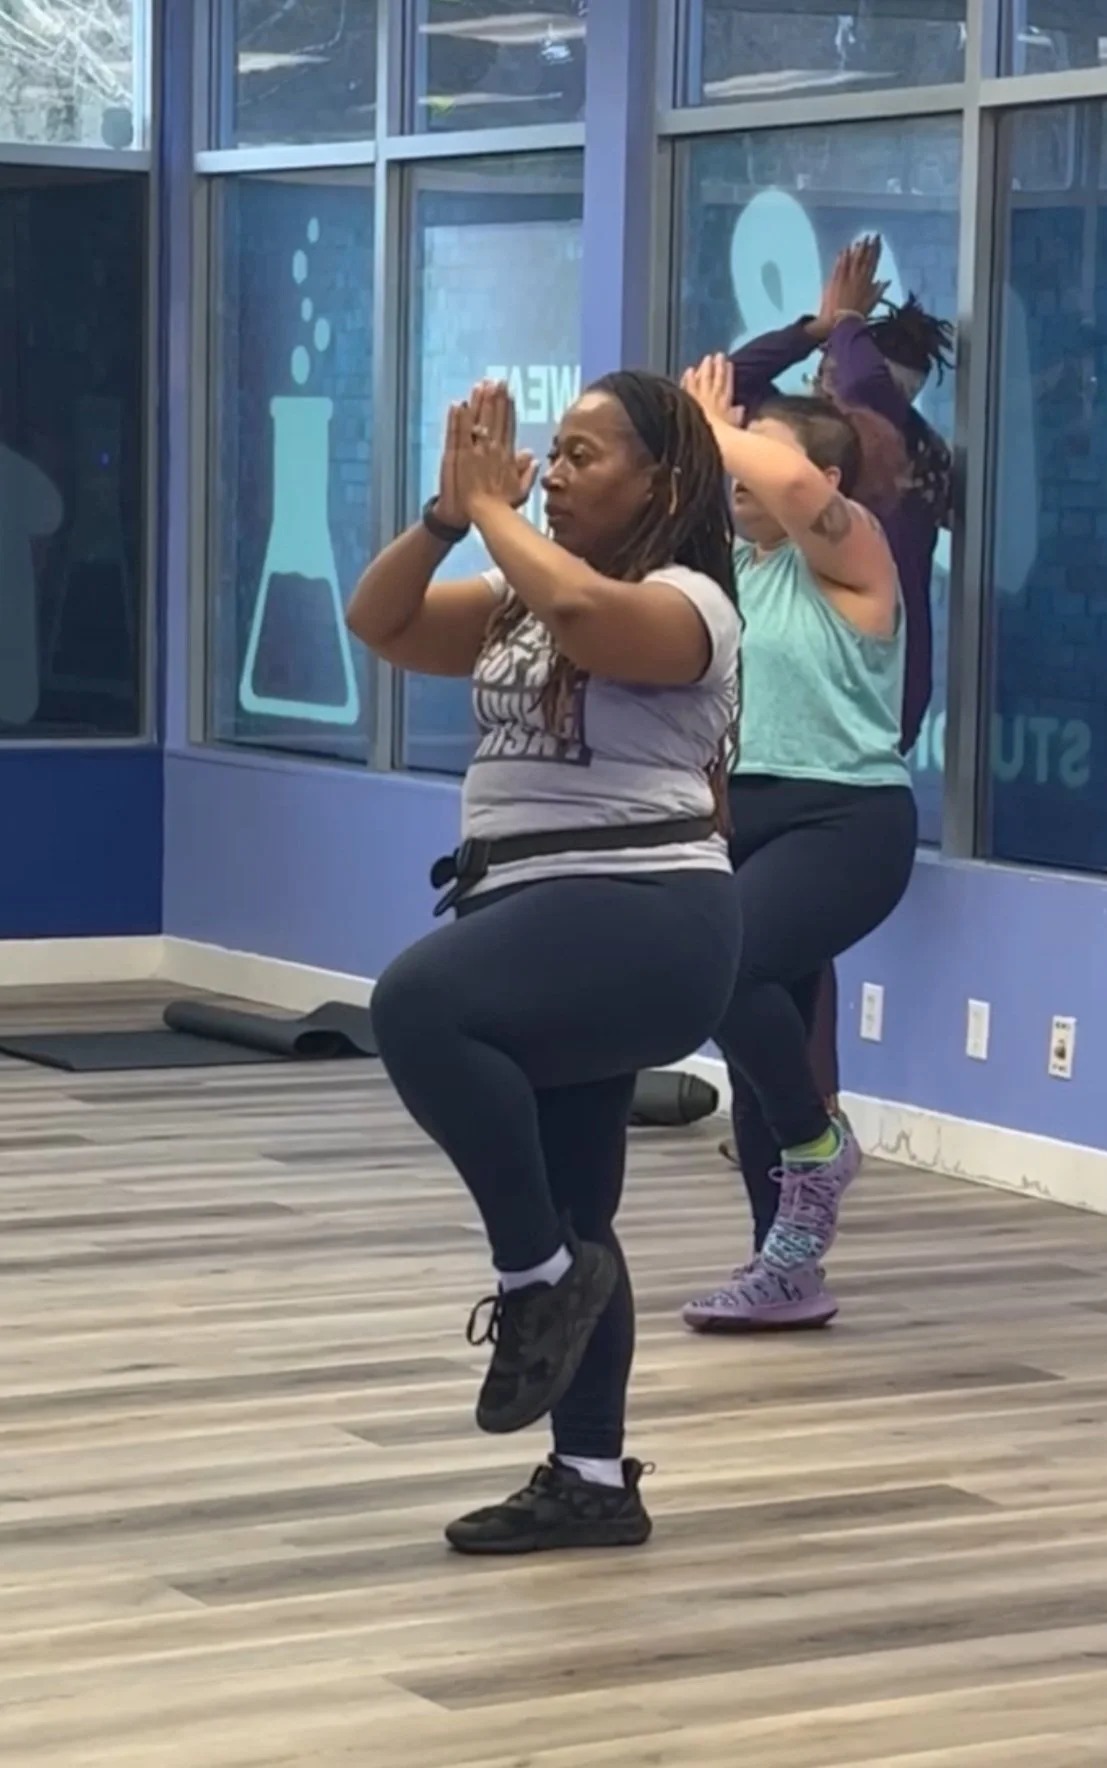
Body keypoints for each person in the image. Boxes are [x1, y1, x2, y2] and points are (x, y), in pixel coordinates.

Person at [347, 373, 742, 1554]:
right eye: (549, 454)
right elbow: (382, 622)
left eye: (582, 455)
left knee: (418, 1002)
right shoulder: (518, 598)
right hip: (541, 918)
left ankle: (535, 1276)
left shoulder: (691, 601)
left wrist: (499, 514)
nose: (554, 473)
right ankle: (590, 1478)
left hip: (646, 917)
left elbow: (580, 612)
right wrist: (443, 518)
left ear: (661, 485)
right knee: (581, 1211)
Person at [678, 354, 917, 1332]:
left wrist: (718, 431)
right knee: (751, 1026)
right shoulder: (731, 569)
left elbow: (783, 480)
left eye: (763, 462)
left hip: (847, 819)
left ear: (828, 485)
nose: (742, 477)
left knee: (721, 957)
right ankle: (785, 1264)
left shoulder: (856, 557)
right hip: (749, 819)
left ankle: (818, 1148)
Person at [724, 236, 953, 1130]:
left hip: (863, 710)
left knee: (770, 949)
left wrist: (845, 330)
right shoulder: (751, 550)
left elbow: (855, 398)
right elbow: (725, 398)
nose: (821, 391)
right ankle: (795, 1129)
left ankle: (810, 1115)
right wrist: (817, 325)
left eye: (828, 383)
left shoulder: (894, 473)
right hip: (771, 762)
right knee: (781, 957)